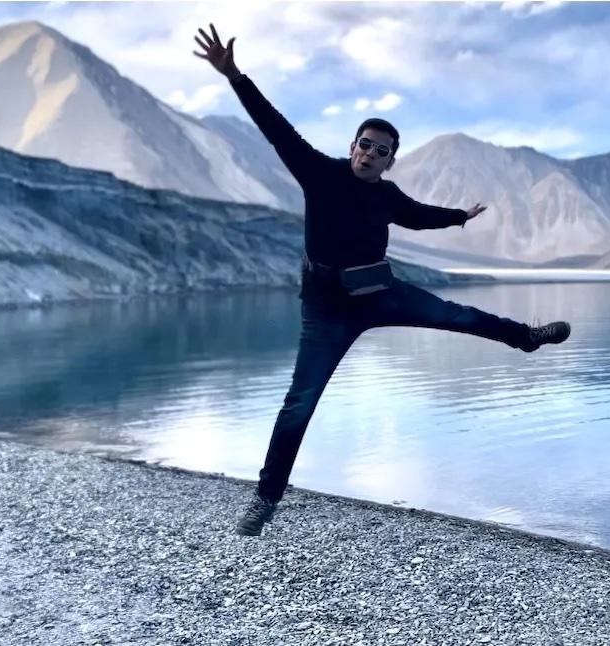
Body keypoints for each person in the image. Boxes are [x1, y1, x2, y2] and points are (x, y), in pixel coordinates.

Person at [193, 24, 572, 536]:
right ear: (352, 145)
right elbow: (273, 126)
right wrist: (234, 75)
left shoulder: (388, 196)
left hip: (380, 295)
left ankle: (525, 338)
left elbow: (418, 215)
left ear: (391, 160)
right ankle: (264, 500)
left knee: (457, 315)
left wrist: (459, 216)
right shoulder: (318, 172)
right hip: (326, 309)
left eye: (381, 150)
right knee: (299, 403)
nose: (370, 153)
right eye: (365, 144)